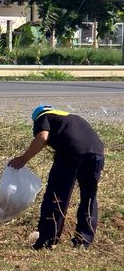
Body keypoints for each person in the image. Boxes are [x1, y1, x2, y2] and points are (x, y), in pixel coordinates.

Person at [8, 105, 105, 250]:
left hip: (70, 153)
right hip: (96, 154)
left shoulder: (43, 116)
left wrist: (23, 159)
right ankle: (83, 243)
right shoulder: (71, 118)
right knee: (89, 198)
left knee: (56, 197)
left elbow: (42, 137)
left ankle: (47, 240)